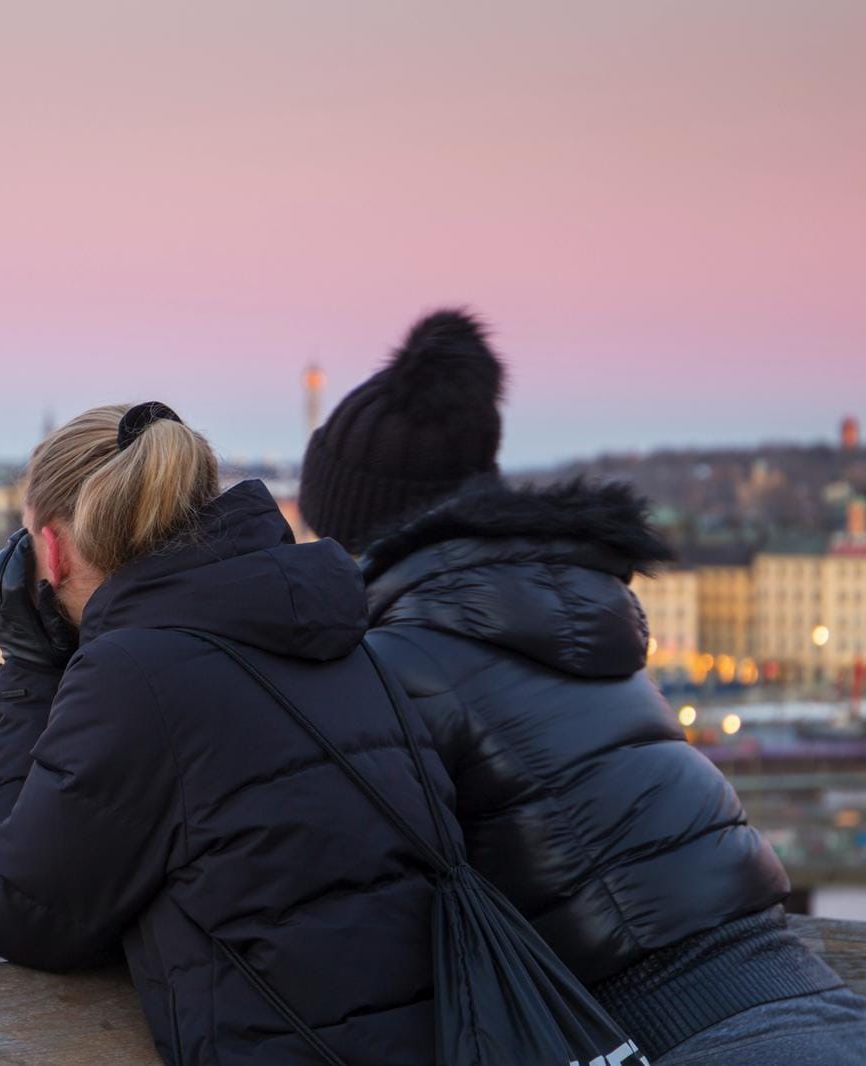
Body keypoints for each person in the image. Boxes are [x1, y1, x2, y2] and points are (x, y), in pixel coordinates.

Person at [299, 308, 866, 1065]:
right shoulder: (569, 605)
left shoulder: (399, 660)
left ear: (354, 535)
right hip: (802, 989)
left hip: (683, 1027)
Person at [0, 402, 463, 1064]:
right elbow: (216, 849)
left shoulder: (135, 674)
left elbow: (23, 919)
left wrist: (30, 669)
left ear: (52, 552)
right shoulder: (331, 632)